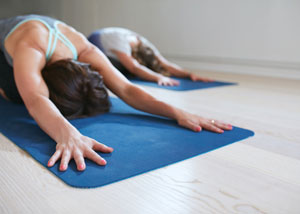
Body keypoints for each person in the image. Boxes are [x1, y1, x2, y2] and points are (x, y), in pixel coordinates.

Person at [0, 15, 232, 172]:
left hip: (38, 42)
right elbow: (35, 98)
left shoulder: (85, 49)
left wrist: (178, 113)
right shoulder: (32, 48)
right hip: (8, 41)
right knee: (16, 94)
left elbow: (126, 89)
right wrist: (68, 134)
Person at [88, 27, 213, 86]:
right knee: (121, 70)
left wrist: (188, 74)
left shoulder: (144, 43)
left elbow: (165, 63)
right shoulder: (120, 43)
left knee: (129, 68)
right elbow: (134, 67)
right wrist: (157, 77)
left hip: (113, 49)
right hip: (93, 49)